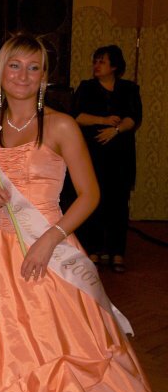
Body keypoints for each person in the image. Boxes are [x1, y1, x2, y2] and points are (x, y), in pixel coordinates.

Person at [0, 34, 166, 392]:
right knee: (10, 346)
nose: (23, 75)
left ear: (45, 77)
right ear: (0, 72)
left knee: (65, 343)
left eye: (34, 68)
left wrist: (50, 239)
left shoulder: (60, 125)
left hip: (51, 246)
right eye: (15, 66)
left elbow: (90, 194)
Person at [73, 45, 142, 273]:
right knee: (94, 200)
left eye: (101, 61)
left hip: (120, 155)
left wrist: (116, 130)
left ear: (114, 66)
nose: (96, 65)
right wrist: (103, 120)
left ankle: (116, 252)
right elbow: (77, 116)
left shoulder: (129, 89)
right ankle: (92, 249)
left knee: (118, 203)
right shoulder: (86, 88)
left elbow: (134, 117)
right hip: (94, 154)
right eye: (95, 61)